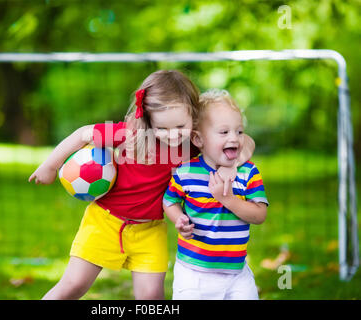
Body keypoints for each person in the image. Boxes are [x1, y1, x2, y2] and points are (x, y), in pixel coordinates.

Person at [28, 71, 254, 300]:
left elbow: (244, 142)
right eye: (162, 128)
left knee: (151, 297)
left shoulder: (193, 144)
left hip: (150, 231)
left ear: (193, 117)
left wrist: (230, 165)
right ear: (148, 120)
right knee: (73, 285)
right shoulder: (130, 134)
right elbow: (83, 134)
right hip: (105, 222)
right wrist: (50, 166)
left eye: (180, 126)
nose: (173, 134)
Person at [163, 88, 268, 300]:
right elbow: (169, 201)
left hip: (236, 273)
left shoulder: (248, 172)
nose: (235, 138)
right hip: (193, 272)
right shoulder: (186, 172)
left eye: (239, 131)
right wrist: (179, 219)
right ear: (198, 139)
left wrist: (227, 199)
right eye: (224, 132)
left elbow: (259, 215)